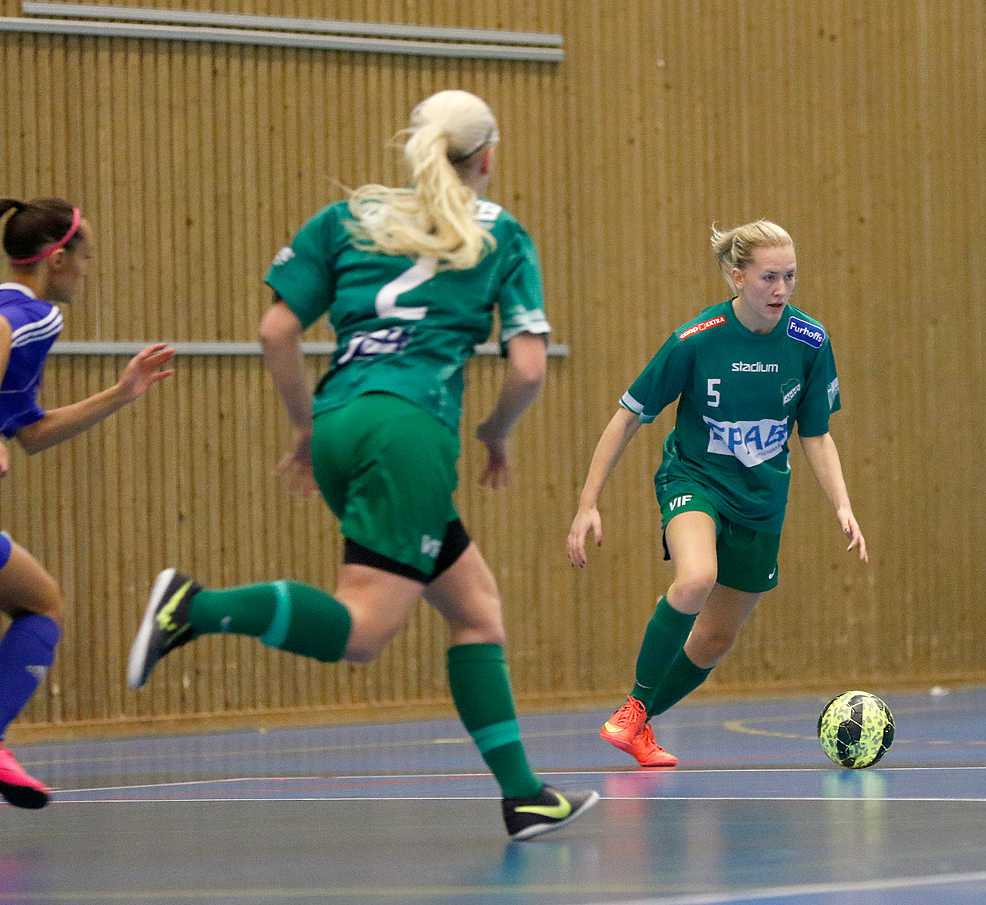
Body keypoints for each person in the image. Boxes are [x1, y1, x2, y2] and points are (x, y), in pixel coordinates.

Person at [125, 90, 597, 840]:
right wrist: (495, 433)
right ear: (487, 157)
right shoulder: (501, 234)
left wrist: (305, 430)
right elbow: (530, 368)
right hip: (410, 432)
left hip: (342, 418)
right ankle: (194, 608)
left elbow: (276, 331)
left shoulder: (351, 217)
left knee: (475, 610)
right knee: (363, 632)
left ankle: (525, 794)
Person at [567, 219, 868, 768]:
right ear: (737, 277)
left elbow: (816, 433)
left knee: (713, 640)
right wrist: (588, 502)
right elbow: (627, 418)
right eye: (768, 277)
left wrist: (842, 504)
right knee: (697, 576)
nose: (781, 290)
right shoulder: (695, 340)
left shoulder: (810, 341)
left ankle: (640, 724)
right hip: (695, 481)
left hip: (762, 500)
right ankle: (634, 707)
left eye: (790, 277)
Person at [0, 198, 175, 808]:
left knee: (41, 601)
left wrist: (123, 393)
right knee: (41, 603)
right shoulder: (22, 316)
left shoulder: (26, 318)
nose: (87, 269)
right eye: (85, 257)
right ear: (56, 258)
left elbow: (32, 433)